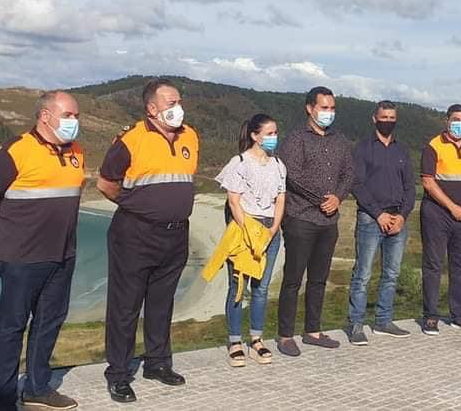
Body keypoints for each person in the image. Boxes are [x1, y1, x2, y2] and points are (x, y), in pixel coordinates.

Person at [0, 90, 84, 411]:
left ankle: (37, 388)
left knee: (49, 322)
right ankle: (4, 398)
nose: (74, 122)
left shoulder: (77, 151)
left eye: (76, 116)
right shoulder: (13, 152)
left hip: (63, 254)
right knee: (12, 326)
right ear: (45, 116)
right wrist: (8, 229)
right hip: (21, 258)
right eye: (68, 115)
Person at [96, 79, 200, 403]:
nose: (177, 108)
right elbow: (105, 183)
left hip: (176, 234)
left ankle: (157, 363)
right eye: (170, 103)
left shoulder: (191, 136)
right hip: (135, 234)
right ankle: (118, 374)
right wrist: (138, 208)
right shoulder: (131, 139)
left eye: (179, 101)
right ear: (152, 108)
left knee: (161, 303)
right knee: (125, 307)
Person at [276, 86, 354, 356]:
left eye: (332, 108)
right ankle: (285, 334)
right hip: (300, 218)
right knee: (293, 279)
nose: (328, 113)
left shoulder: (340, 141)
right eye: (323, 107)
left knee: (319, 279)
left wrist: (338, 198)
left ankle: (312, 330)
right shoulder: (296, 139)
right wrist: (321, 198)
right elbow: (292, 177)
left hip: (329, 221)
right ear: (310, 108)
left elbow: (349, 173)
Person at [214, 114, 286, 366]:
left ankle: (256, 339)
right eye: (269, 133)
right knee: (238, 287)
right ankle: (234, 340)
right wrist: (248, 230)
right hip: (245, 228)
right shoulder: (240, 163)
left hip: (269, 230)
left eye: (275, 133)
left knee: (261, 288)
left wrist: (273, 229)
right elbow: (234, 200)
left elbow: (280, 199)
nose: (273, 138)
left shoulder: (278, 164)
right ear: (255, 136)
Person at [344, 101, 416, 345]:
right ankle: (356, 324)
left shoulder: (402, 150)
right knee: (363, 274)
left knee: (391, 274)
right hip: (370, 218)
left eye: (392, 117)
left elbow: (409, 186)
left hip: (398, 219)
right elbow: (357, 184)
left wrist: (403, 216)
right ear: (374, 119)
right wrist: (378, 214)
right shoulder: (363, 148)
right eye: (383, 116)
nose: (388, 120)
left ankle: (384, 320)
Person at [420, 104, 461, 335]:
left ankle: (459, 315)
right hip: (437, 214)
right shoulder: (433, 146)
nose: (460, 123)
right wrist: (452, 207)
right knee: (433, 265)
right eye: (456, 119)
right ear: (446, 121)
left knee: (460, 266)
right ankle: (431, 317)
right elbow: (428, 181)